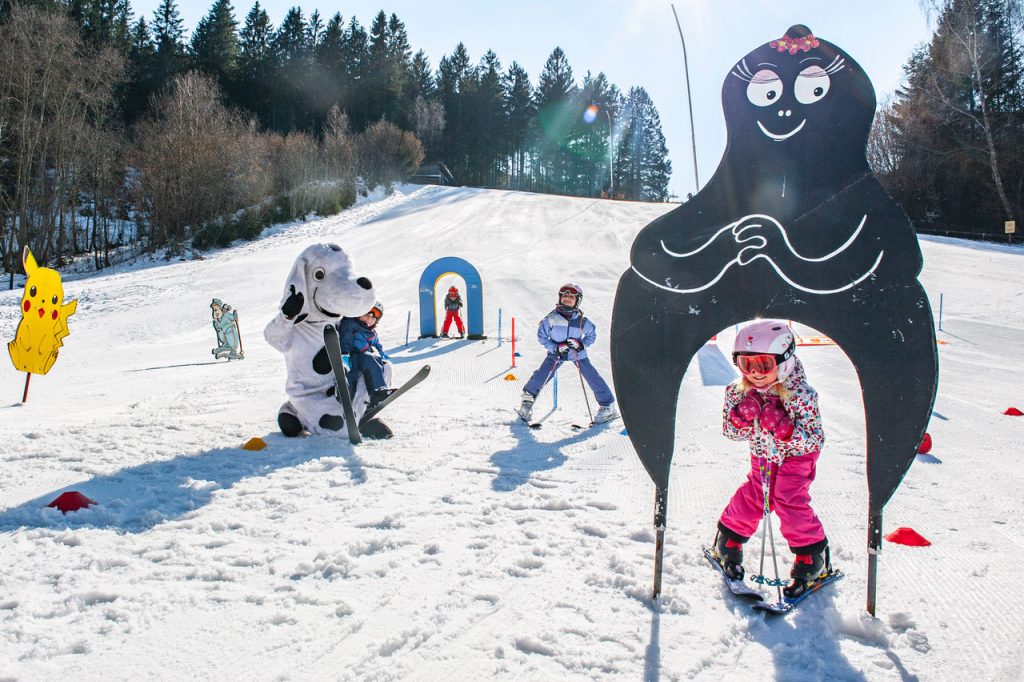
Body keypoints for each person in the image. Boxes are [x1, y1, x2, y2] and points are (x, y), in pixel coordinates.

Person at [711, 320, 830, 598]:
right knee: (757, 493)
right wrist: (742, 416)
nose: (754, 373)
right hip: (763, 453)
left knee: (788, 497)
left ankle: (812, 556)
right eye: (746, 364)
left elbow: (814, 439)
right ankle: (728, 539)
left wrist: (786, 429)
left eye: (764, 364)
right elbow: (730, 432)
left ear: (784, 359)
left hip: (797, 457)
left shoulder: (801, 395)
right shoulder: (739, 392)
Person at [517, 283, 618, 425]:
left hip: (577, 354)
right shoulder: (551, 318)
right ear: (560, 298)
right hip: (556, 353)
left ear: (577, 301)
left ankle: (608, 406)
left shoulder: (582, 321)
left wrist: (581, 345)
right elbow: (542, 337)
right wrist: (555, 347)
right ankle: (527, 402)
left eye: (571, 297)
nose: (567, 299)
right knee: (542, 375)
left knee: (592, 377)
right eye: (565, 296)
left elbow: (591, 335)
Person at [339, 302, 395, 407]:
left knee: (387, 366)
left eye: (373, 318)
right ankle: (349, 396)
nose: (369, 318)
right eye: (366, 314)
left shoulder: (371, 332)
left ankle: (377, 397)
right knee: (353, 372)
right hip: (352, 355)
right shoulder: (350, 323)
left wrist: (381, 352)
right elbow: (346, 338)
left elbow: (377, 343)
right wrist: (345, 353)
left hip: (364, 357)